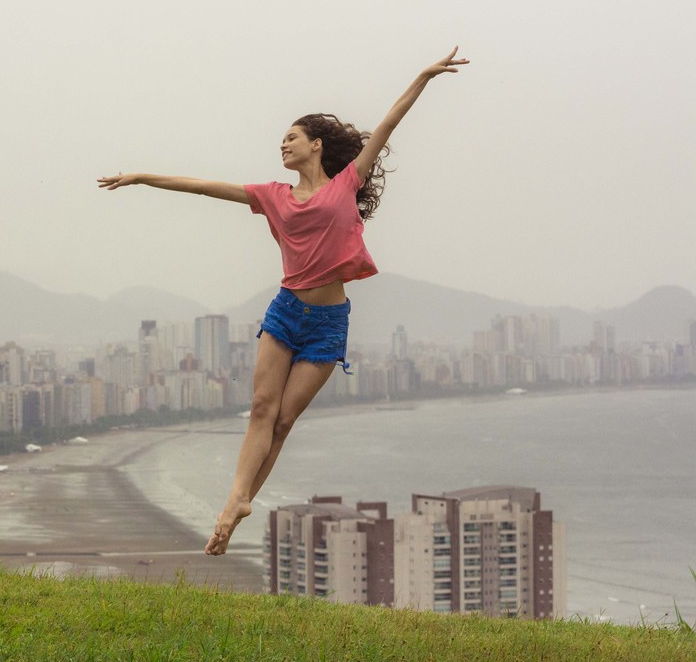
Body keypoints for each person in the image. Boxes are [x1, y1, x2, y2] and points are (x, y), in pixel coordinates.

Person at [97, 47, 469, 555]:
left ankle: (239, 502)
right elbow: (205, 188)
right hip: (287, 311)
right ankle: (236, 501)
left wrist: (423, 75)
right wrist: (142, 177)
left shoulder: (346, 184)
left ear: (316, 145)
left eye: (291, 137)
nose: (283, 145)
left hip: (329, 322)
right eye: (281, 139)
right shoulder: (273, 195)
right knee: (260, 409)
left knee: (285, 420)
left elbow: (389, 124)